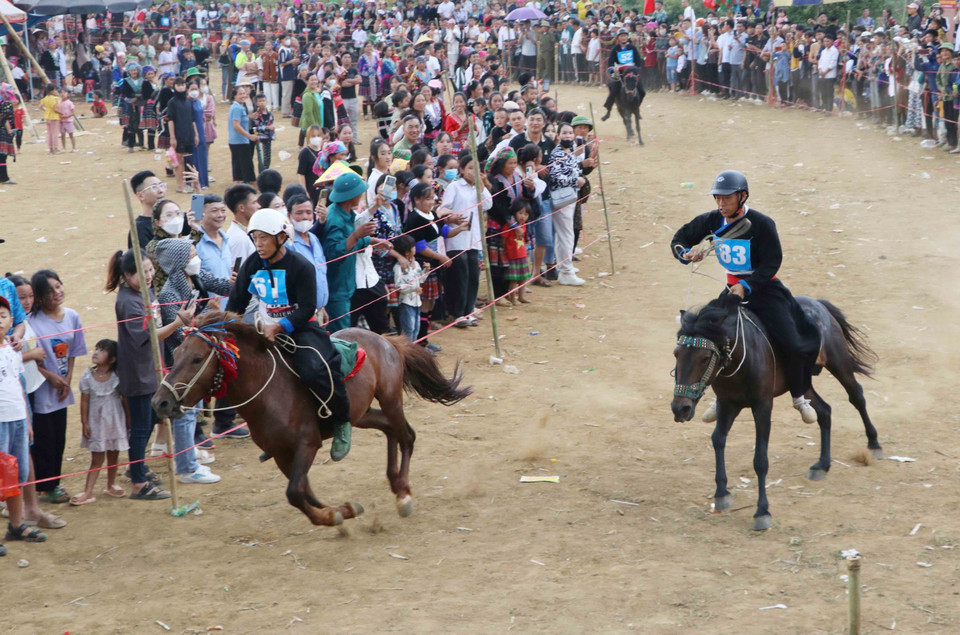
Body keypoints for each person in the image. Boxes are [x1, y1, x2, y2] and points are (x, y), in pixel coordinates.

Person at [670, 170, 820, 424]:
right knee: (712, 342)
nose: (721, 204)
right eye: (717, 198)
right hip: (730, 292)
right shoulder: (712, 220)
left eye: (726, 198)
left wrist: (747, 286)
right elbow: (679, 238)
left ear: (742, 196)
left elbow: (773, 261)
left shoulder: (762, 223)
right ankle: (721, 398)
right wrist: (685, 253)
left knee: (792, 340)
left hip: (765, 291)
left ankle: (799, 396)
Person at [226, 208, 353, 461]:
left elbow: (308, 306)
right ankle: (274, 436)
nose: (259, 244)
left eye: (264, 237)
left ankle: (341, 421)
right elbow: (236, 303)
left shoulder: (301, 266)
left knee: (315, 369)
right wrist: (222, 326)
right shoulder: (252, 264)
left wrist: (281, 326)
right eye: (255, 238)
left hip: (300, 329)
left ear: (281, 238)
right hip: (264, 330)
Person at [105, 249, 178, 499]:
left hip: (150, 368)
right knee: (140, 426)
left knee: (148, 422)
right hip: (138, 372)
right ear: (128, 275)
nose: (149, 275)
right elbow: (150, 335)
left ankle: (136, 467)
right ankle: (137, 483)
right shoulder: (128, 302)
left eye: (150, 269)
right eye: (143, 271)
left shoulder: (145, 293)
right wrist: (179, 322)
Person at [154, 238, 226, 484]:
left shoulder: (195, 277)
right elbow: (180, 334)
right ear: (179, 262)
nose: (197, 259)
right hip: (180, 363)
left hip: (195, 361)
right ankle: (186, 468)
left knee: (192, 412)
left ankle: (188, 454)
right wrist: (211, 313)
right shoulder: (169, 295)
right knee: (184, 413)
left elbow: (219, 283)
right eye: (192, 254)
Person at [28, 270, 87, 504]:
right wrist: (50, 377)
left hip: (61, 389)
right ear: (40, 297)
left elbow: (72, 353)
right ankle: (45, 486)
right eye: (50, 290)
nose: (57, 292)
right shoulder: (32, 324)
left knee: (59, 437)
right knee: (44, 438)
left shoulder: (72, 317)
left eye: (59, 286)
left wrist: (68, 380)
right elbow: (28, 360)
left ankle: (54, 481)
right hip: (41, 389)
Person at [0, 295, 47, 555]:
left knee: (15, 474)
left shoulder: (11, 350)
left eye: (3, 316)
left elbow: (18, 385)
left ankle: (16, 525)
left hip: (17, 418)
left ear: (10, 321)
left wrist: (27, 420)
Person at [402, 181, 469, 349]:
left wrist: (460, 228)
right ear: (416, 200)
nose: (432, 202)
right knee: (423, 303)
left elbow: (445, 232)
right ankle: (420, 342)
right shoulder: (415, 219)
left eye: (433, 198)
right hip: (424, 265)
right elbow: (420, 247)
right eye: (428, 199)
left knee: (430, 302)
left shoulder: (431, 215)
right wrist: (441, 257)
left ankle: (424, 340)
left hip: (434, 265)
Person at [69, 339, 129, 506]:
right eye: (96, 349)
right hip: (97, 424)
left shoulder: (117, 377)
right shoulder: (88, 377)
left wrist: (128, 421)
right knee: (97, 459)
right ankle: (88, 491)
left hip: (115, 422)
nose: (95, 352)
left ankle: (111, 485)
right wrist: (84, 423)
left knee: (113, 455)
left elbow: (124, 400)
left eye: (101, 350)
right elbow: (85, 401)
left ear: (112, 359)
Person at [441, 153, 489, 326]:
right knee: (461, 275)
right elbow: (444, 209)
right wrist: (453, 218)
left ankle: (468, 311)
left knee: (474, 276)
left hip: (473, 238)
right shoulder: (455, 187)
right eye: (469, 168)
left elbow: (488, 204)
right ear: (461, 170)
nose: (472, 172)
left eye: (475, 169)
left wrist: (481, 185)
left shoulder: (478, 188)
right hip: (457, 237)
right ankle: (457, 312)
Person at [547, 123, 586, 286]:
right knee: (566, 236)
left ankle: (565, 266)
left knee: (565, 235)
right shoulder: (557, 154)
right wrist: (575, 181)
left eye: (570, 133)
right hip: (561, 198)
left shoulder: (569, 152)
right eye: (564, 133)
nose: (568, 136)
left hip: (569, 198)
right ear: (558, 135)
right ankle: (566, 271)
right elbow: (555, 177)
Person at [601, 29, 643, 121]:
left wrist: (635, 71)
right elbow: (610, 63)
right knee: (613, 90)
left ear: (627, 37)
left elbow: (638, 62)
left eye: (624, 35)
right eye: (621, 36)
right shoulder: (615, 49)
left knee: (642, 91)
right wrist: (613, 69)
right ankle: (608, 111)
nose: (623, 37)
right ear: (618, 37)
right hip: (620, 74)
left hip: (632, 74)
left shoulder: (632, 48)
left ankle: (637, 109)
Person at [167, 77, 200, 193]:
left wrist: (196, 134)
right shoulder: (172, 102)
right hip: (178, 134)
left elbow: (192, 120)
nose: (181, 87)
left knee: (188, 159)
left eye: (182, 85)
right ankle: (180, 185)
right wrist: (172, 137)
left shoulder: (189, 101)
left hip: (189, 134)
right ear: (175, 87)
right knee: (179, 160)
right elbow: (170, 120)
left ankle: (188, 183)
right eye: (178, 85)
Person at [392, 234, 422, 342]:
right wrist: (413, 289)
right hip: (406, 303)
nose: (415, 248)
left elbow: (420, 280)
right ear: (407, 252)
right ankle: (408, 353)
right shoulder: (398, 267)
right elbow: (399, 287)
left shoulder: (416, 264)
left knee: (416, 329)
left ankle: (412, 351)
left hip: (417, 302)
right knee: (408, 329)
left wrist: (426, 271)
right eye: (413, 246)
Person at [228, 83, 259, 184]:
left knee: (238, 166)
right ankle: (252, 185)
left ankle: (238, 184)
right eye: (240, 94)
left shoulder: (237, 107)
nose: (243, 96)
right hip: (240, 141)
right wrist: (249, 136)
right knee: (247, 165)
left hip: (235, 140)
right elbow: (236, 125)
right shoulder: (237, 108)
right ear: (235, 95)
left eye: (244, 93)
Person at [252, 93, 276, 172]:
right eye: (260, 101)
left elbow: (271, 123)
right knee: (261, 157)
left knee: (267, 157)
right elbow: (256, 127)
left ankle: (266, 172)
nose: (262, 102)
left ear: (266, 102)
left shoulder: (270, 114)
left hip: (268, 137)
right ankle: (262, 173)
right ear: (257, 103)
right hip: (260, 138)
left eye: (263, 100)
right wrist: (267, 127)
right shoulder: (256, 115)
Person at [0, 84, 18, 185]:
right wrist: (10, 131)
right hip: (2, 131)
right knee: (2, 156)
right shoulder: (5, 103)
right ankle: (4, 178)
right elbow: (5, 119)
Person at [40, 84, 61, 154]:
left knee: (49, 133)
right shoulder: (55, 99)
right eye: (55, 90)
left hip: (47, 116)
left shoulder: (45, 98)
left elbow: (40, 107)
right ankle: (55, 148)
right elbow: (55, 109)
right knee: (55, 133)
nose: (56, 91)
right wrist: (62, 114)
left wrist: (46, 111)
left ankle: (50, 148)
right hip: (54, 117)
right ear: (51, 91)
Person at [56, 88, 77, 153]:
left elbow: (73, 113)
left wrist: (66, 116)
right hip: (61, 121)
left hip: (68, 121)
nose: (62, 94)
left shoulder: (69, 103)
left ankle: (74, 148)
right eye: (61, 93)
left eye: (64, 93)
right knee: (62, 135)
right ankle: (64, 148)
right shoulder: (59, 102)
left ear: (68, 94)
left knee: (71, 134)